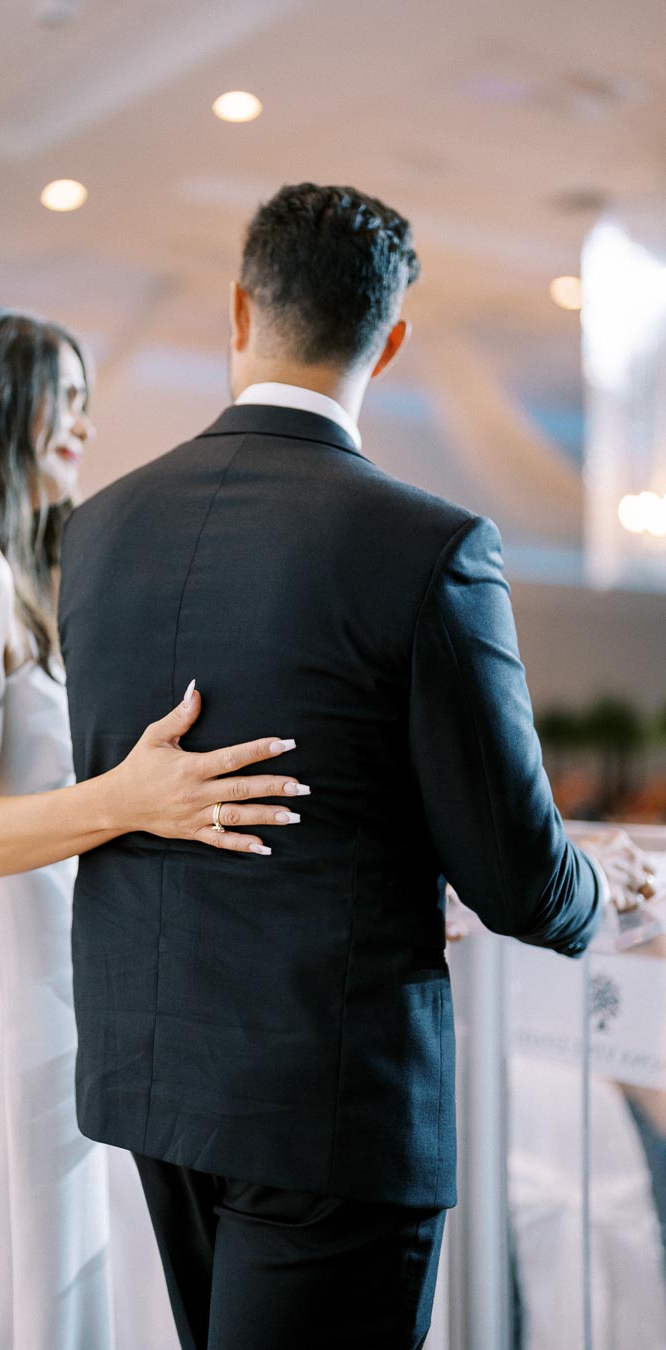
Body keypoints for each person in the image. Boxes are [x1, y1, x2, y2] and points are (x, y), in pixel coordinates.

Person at [57, 184, 654, 1349]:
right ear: (389, 342)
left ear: (240, 310)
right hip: (325, 1102)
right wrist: (610, 891)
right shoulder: (429, 546)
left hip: (155, 1079)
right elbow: (519, 877)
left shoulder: (101, 529)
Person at [0, 302, 303, 1350]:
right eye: (64, 398)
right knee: (9, 1280)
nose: (84, 422)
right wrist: (136, 795)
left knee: (0, 1271)